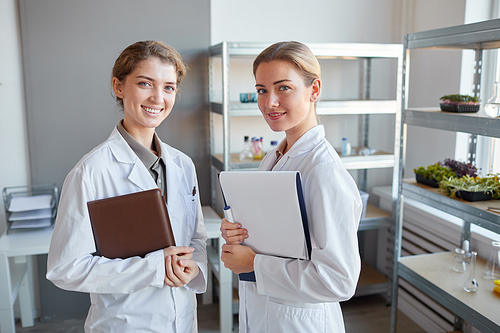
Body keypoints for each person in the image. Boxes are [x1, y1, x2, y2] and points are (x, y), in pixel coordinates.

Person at [47, 40, 207, 333]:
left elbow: (195, 241)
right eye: (146, 83)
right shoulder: (91, 171)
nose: (158, 97)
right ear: (118, 87)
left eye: (169, 87)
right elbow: (65, 268)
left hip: (183, 321)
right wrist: (153, 269)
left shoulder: (183, 165)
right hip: (125, 325)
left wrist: (195, 268)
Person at [220, 41, 362, 333]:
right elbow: (281, 237)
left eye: (283, 88)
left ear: (314, 90)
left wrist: (255, 264)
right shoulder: (276, 156)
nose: (269, 102)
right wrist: (240, 232)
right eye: (262, 90)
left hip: (301, 322)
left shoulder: (323, 171)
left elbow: (339, 280)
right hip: (268, 315)